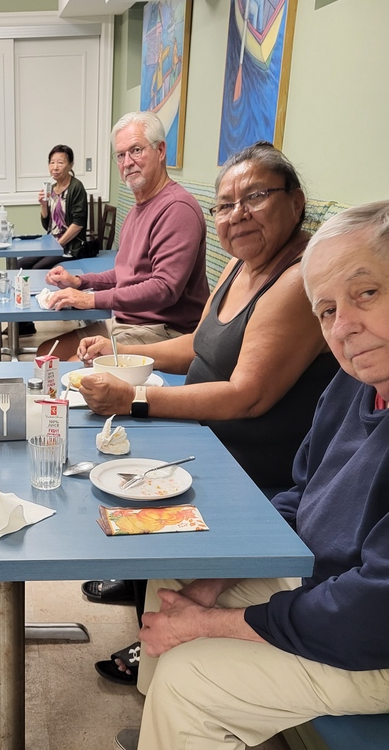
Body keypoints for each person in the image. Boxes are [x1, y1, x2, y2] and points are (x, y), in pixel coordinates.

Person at [83, 200, 389, 750]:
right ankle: (172, 741)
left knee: (193, 680)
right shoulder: (357, 383)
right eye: (326, 308)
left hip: (372, 636)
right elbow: (303, 489)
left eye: (368, 292)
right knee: (177, 570)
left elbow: (369, 616)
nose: (344, 323)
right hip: (325, 588)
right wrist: (219, 582)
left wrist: (215, 625)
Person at [81, 142, 338, 629]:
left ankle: (156, 603)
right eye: (224, 205)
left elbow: (247, 395)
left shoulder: (298, 278)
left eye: (256, 196)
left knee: (125, 463)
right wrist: (120, 359)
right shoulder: (245, 264)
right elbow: (198, 343)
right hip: (208, 435)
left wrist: (134, 397)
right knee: (104, 458)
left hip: (251, 467)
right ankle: (140, 579)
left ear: (296, 201)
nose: (237, 214)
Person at [35, 112, 208, 361]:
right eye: (120, 155)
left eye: (136, 150)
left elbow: (164, 288)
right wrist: (79, 282)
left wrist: (91, 299)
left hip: (164, 332)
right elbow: (125, 273)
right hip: (128, 322)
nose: (127, 162)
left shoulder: (177, 209)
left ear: (160, 151)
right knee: (46, 355)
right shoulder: (138, 209)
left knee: (73, 366)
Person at [18, 144, 88, 269]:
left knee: (37, 269)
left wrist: (57, 246)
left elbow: (78, 224)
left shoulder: (76, 187)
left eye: (60, 163)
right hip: (51, 243)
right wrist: (44, 205)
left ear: (70, 165)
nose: (55, 167)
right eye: (52, 163)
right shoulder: (52, 189)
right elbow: (47, 226)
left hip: (70, 247)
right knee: (19, 264)